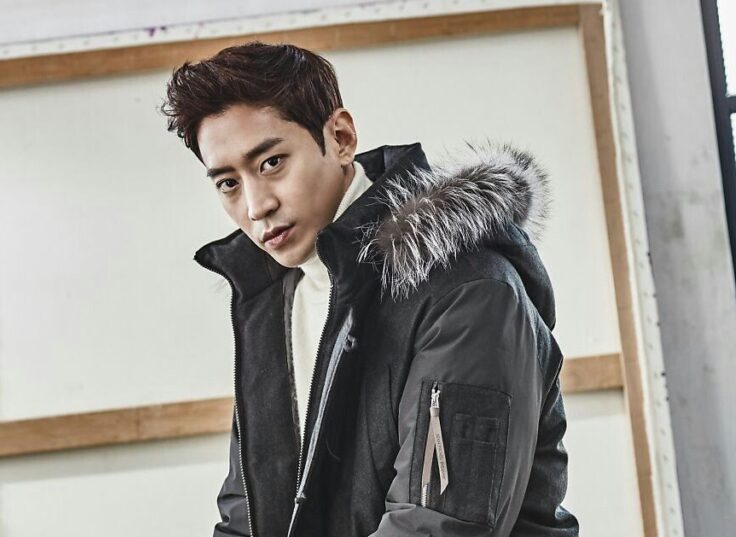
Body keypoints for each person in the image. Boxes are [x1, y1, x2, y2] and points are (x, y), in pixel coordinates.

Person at [160, 41, 579, 537]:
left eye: (271, 163)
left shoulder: (468, 288)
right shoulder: (274, 300)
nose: (256, 206)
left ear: (340, 137)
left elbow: (440, 525)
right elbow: (247, 514)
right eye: (228, 183)